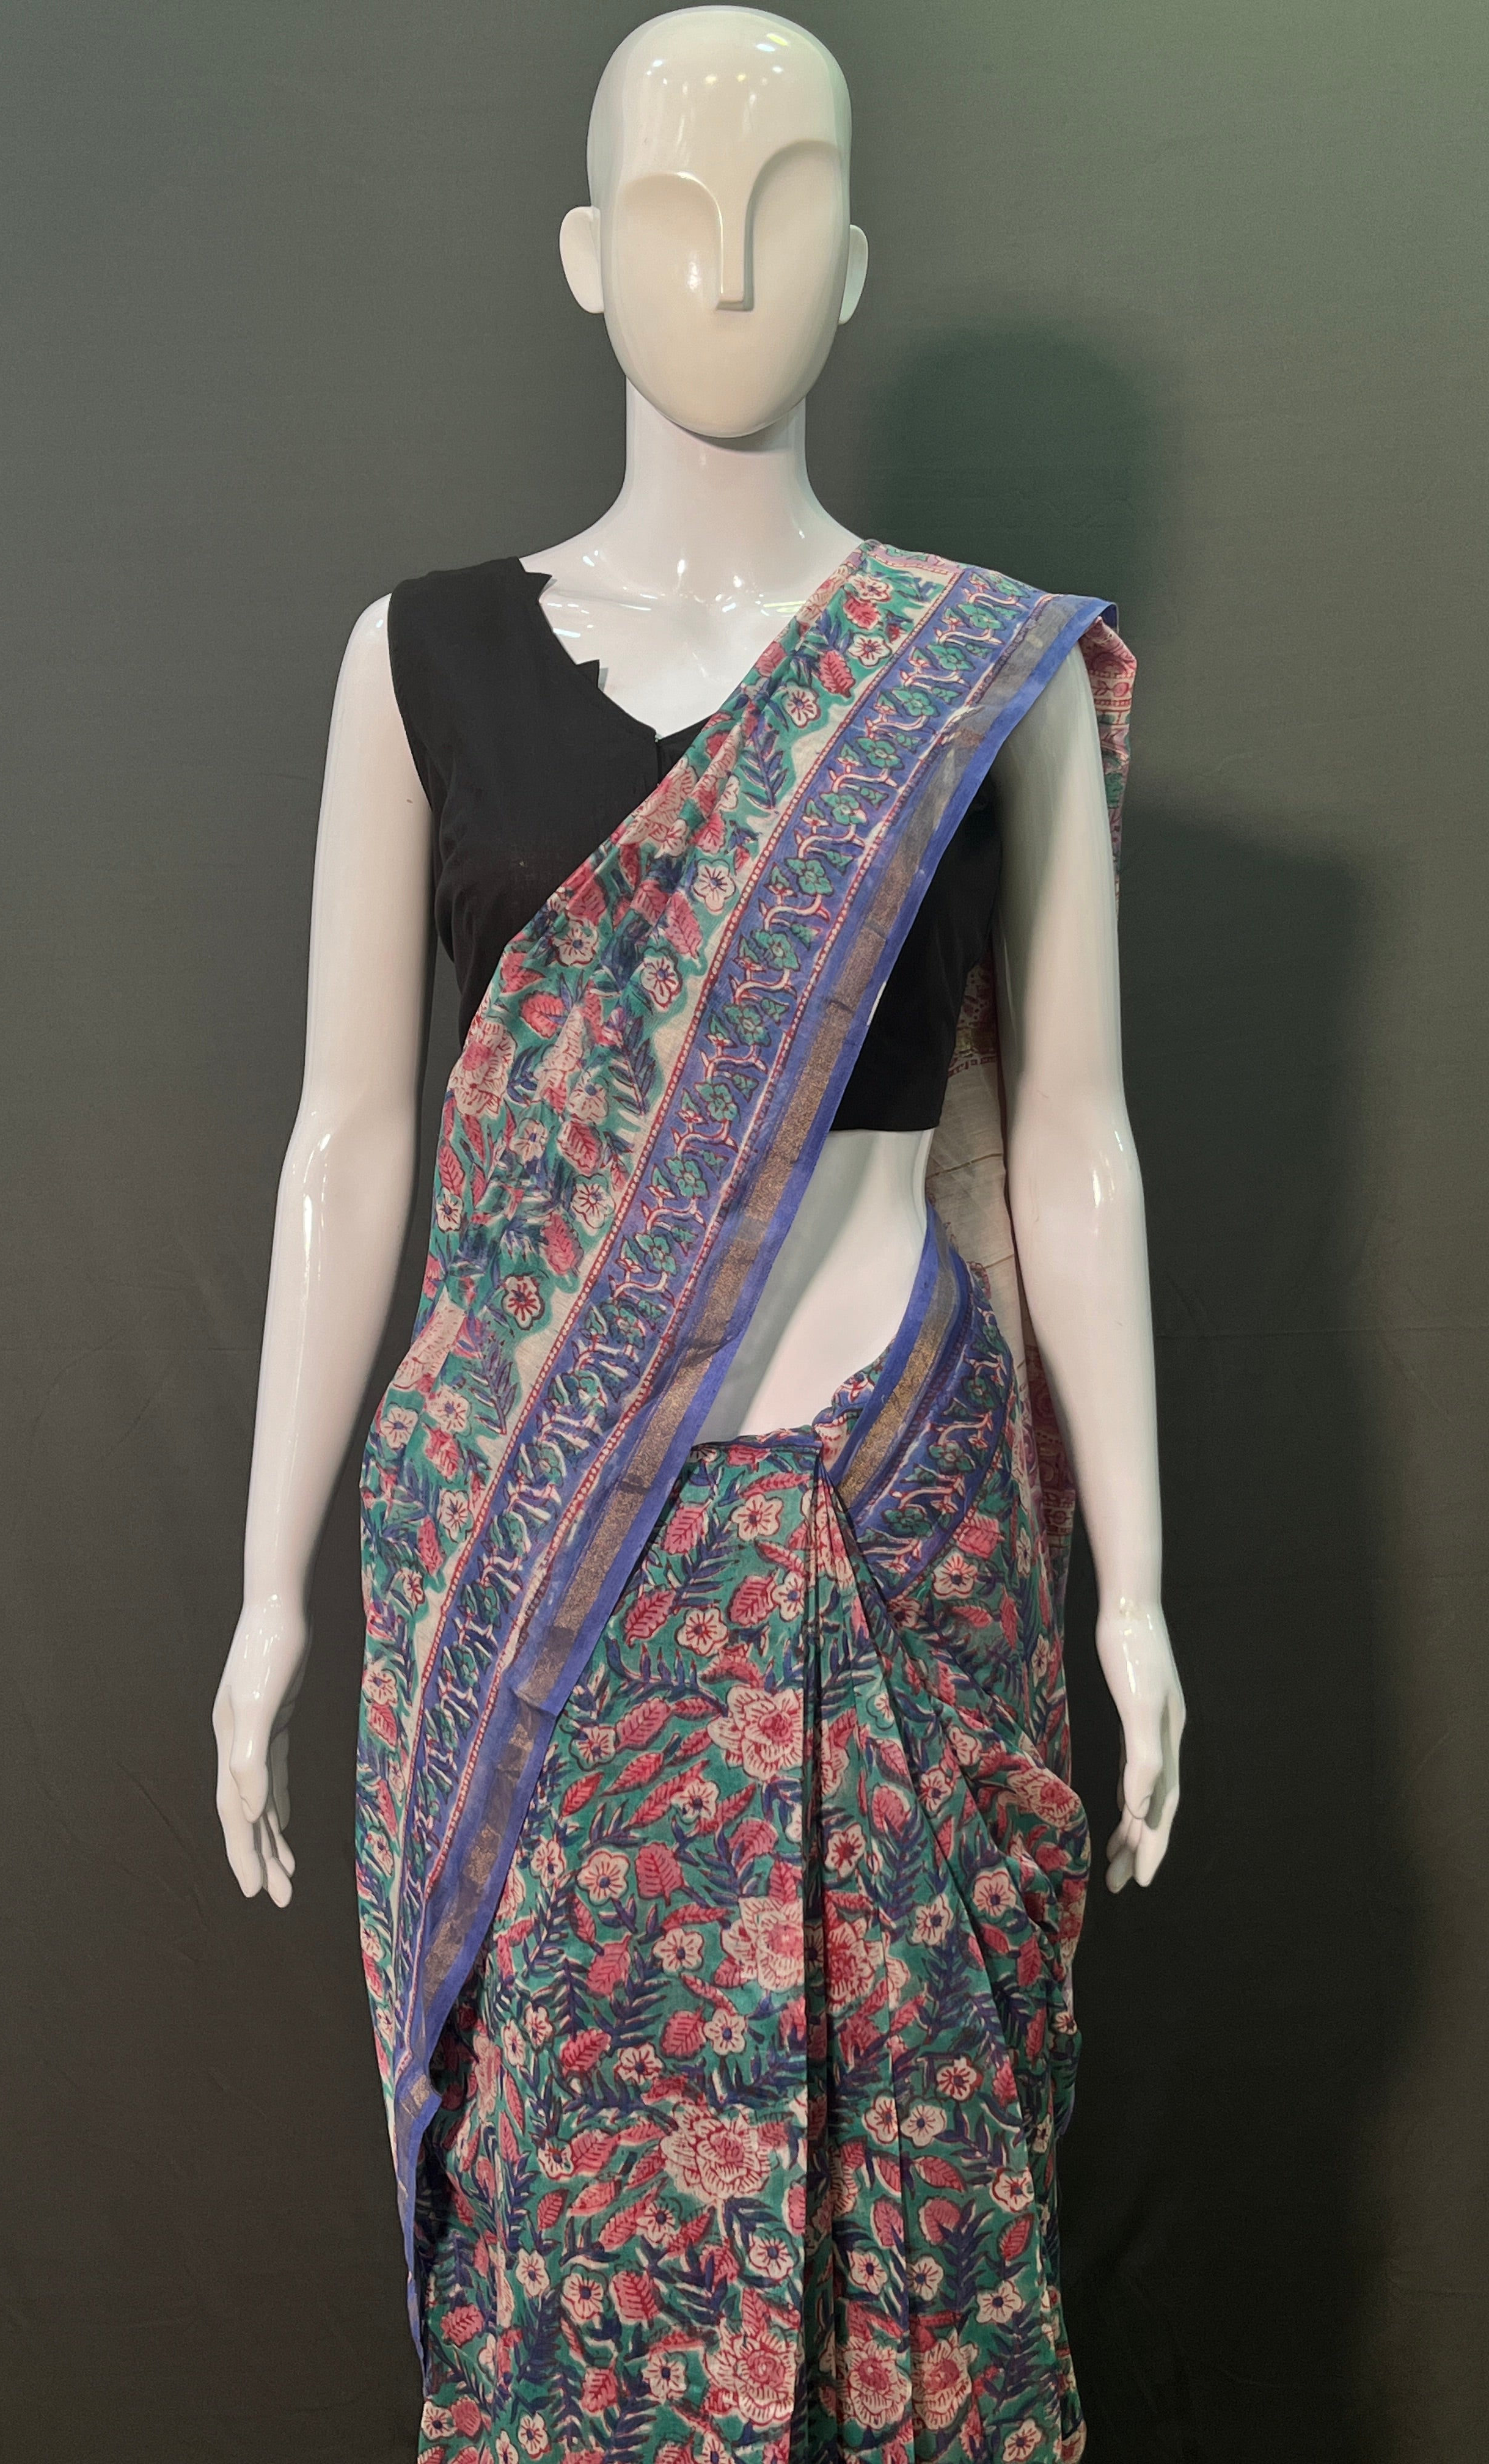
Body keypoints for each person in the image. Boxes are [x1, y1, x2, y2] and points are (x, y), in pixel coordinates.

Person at [212, 12, 1184, 2458]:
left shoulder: (975, 676)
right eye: (670, 208)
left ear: (854, 264)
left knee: (929, 2208)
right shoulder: (422, 665)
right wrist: (269, 1594)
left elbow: (1070, 1138)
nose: (728, 266)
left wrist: (1136, 1598)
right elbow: (349, 1144)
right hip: (555, 1569)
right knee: (579, 2231)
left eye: (785, 211)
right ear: (582, 258)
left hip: (902, 1541)